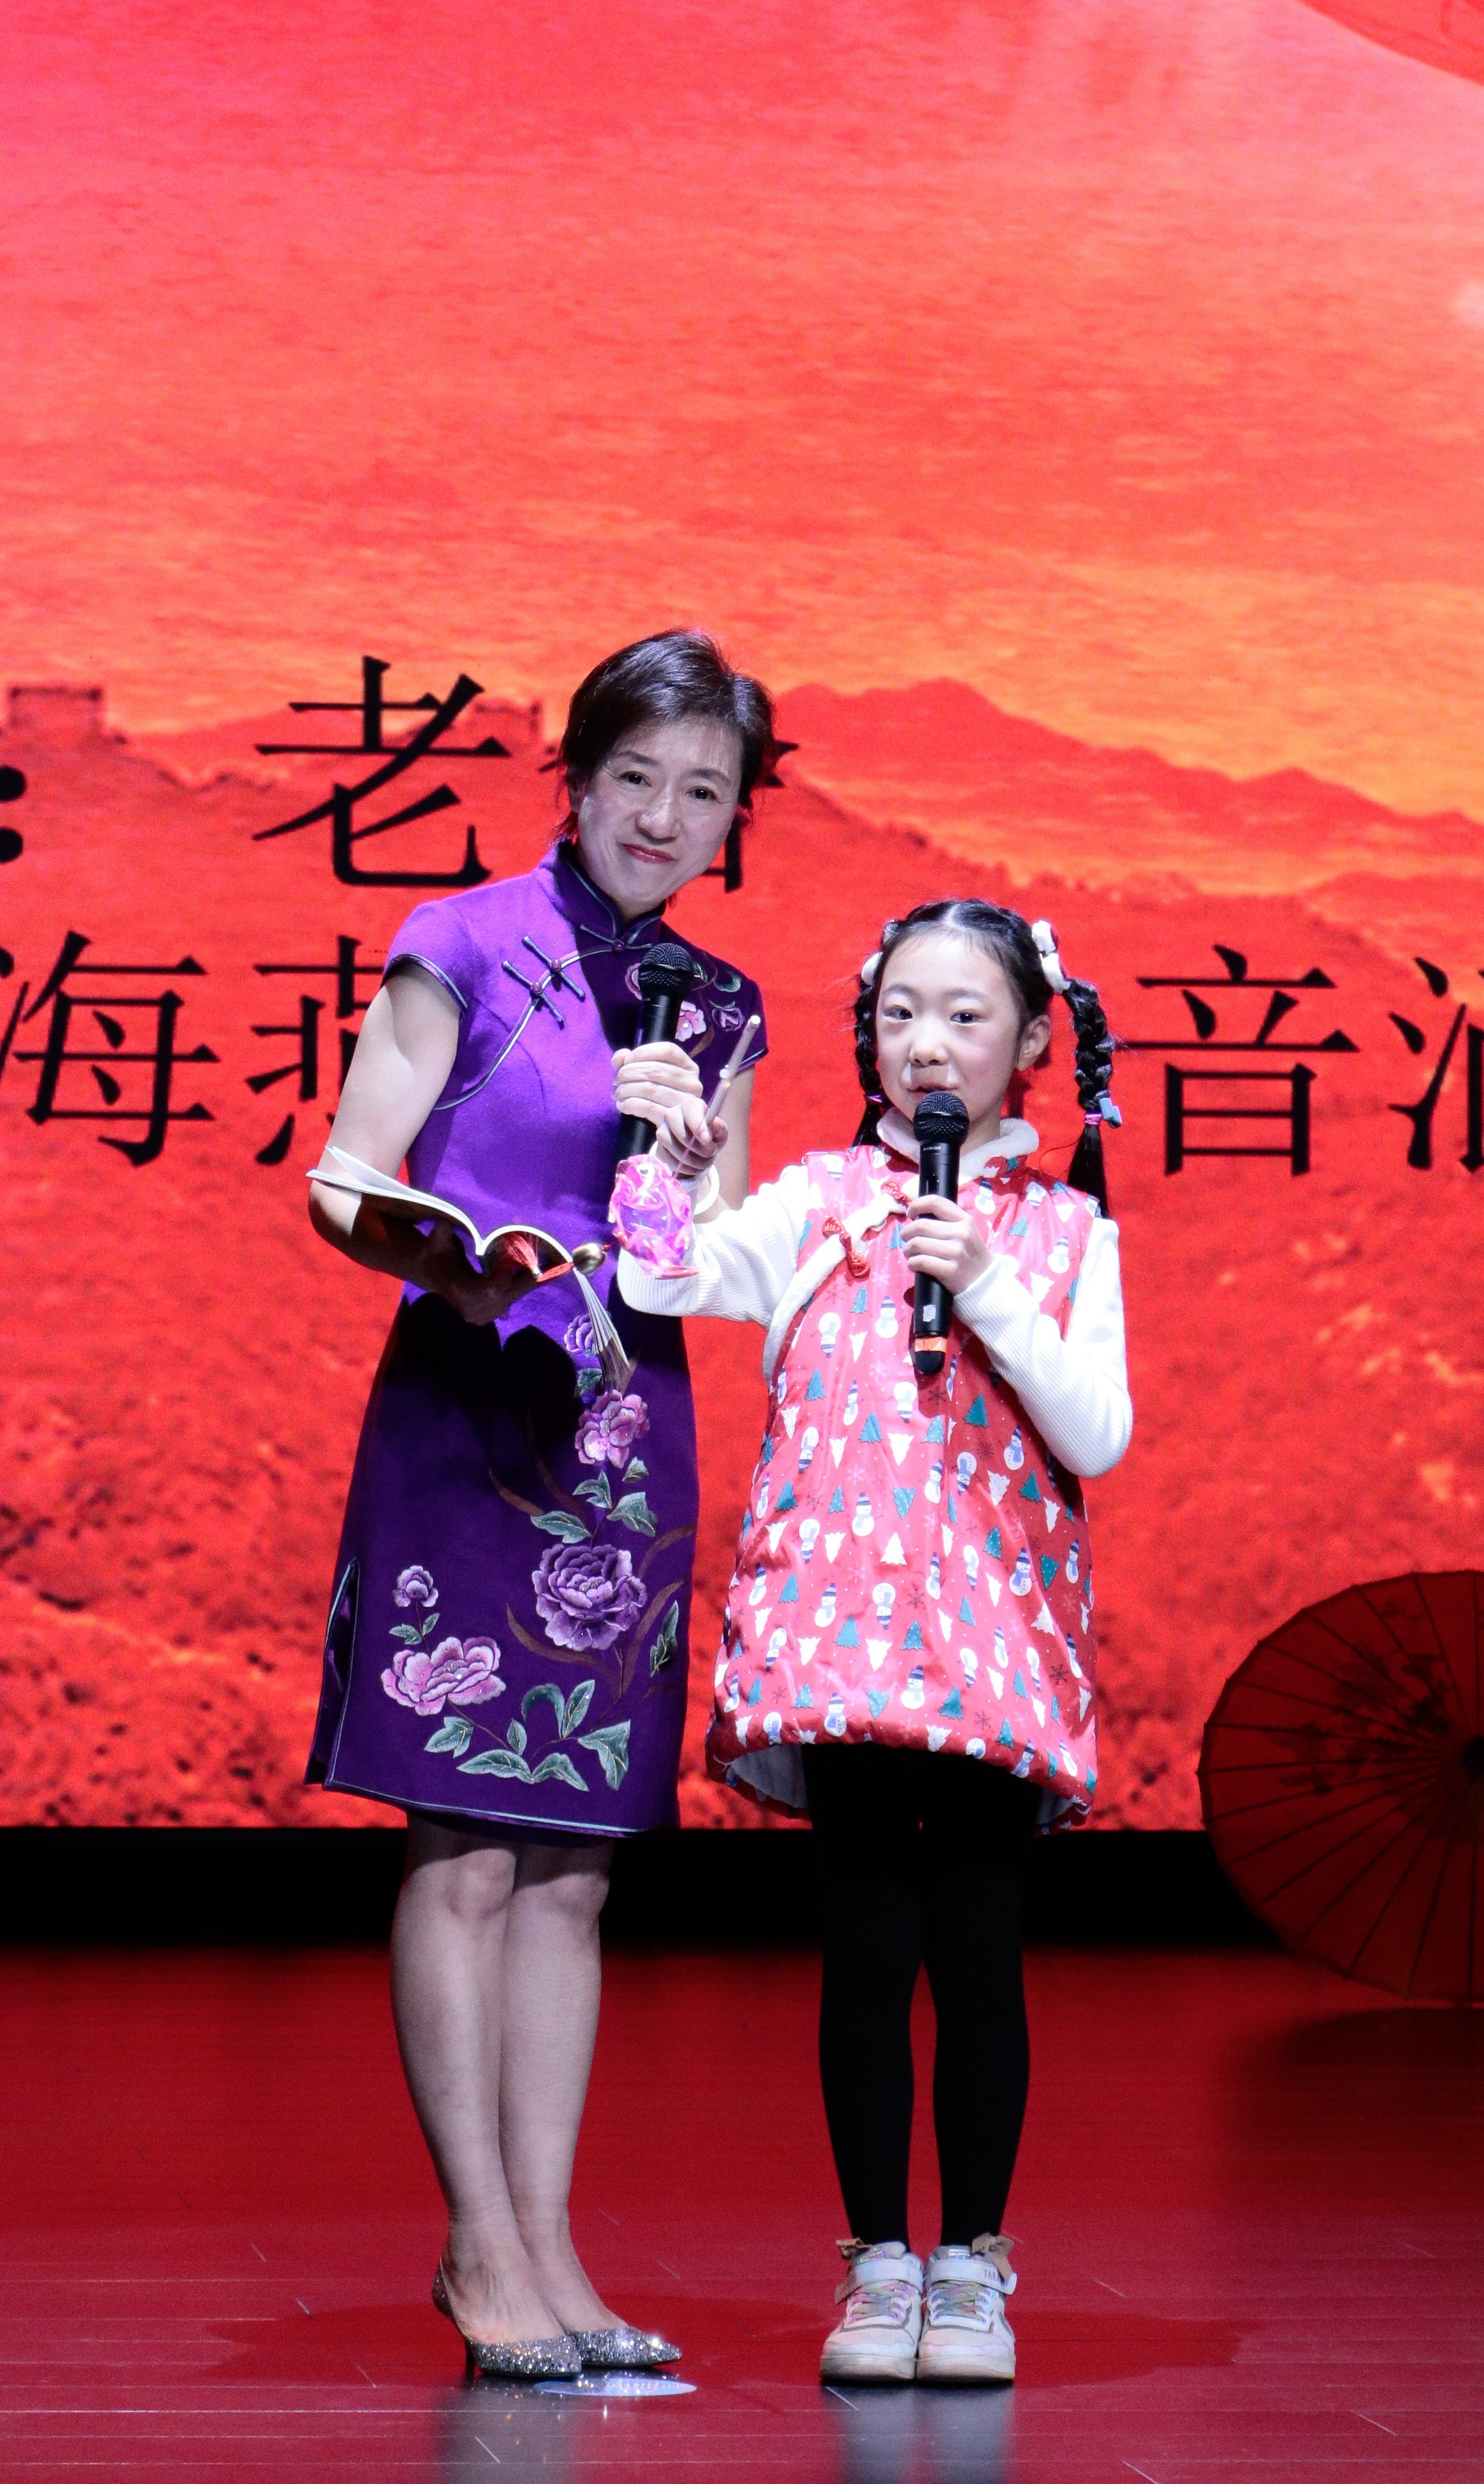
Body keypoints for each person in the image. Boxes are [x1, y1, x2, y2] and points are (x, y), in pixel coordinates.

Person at [304, 629, 775, 2383]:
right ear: (574, 779)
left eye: (702, 793)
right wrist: (453, 1261)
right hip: (468, 1405)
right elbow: (346, 1174)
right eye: (635, 777)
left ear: (733, 821)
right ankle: (477, 2246)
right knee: (467, 1845)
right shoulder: (462, 942)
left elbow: (708, 1262)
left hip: (624, 1430)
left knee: (576, 1870)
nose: (663, 816)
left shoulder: (719, 1008)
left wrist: (679, 1164)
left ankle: (555, 2252)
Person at [618, 896, 1129, 2391]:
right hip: (839, 1644)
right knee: (861, 1952)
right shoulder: (818, 1199)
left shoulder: (1063, 1229)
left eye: (965, 1016)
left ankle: (968, 2263)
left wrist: (983, 1281)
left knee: (974, 1950)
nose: (927, 1044)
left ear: (1028, 1041)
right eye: (900, 1012)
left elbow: (1096, 1430)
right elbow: (660, 1278)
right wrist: (666, 1164)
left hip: (987, 1646)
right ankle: (876, 2263)